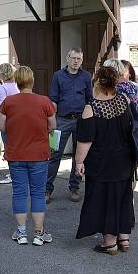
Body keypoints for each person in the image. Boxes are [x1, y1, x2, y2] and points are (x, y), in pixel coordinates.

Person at [74, 66, 136, 255]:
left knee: (104, 198)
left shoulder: (91, 108)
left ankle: (109, 242)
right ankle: (124, 238)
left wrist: (78, 163)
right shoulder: (125, 100)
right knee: (124, 197)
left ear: (98, 82)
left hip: (101, 162)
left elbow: (85, 141)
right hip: (125, 159)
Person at [0, 66, 57, 246]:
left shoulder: (8, 102)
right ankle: (39, 234)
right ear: (32, 81)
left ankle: (22, 232)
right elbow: (52, 126)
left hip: (16, 153)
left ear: (17, 81)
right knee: (38, 193)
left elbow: (1, 127)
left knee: (19, 193)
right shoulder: (44, 101)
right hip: (39, 154)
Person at [47, 47, 93, 203]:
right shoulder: (58, 76)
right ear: (68, 58)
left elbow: (89, 99)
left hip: (81, 120)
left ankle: (75, 187)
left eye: (79, 59)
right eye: (73, 58)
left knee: (79, 156)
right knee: (54, 154)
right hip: (62, 120)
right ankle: (47, 189)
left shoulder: (86, 76)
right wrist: (52, 120)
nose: (76, 62)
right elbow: (53, 99)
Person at [0, 63, 19, 184]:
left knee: (9, 148)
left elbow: (4, 105)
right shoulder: (16, 86)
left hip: (7, 121)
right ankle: (17, 173)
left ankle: (13, 174)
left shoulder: (2, 88)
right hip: (17, 121)